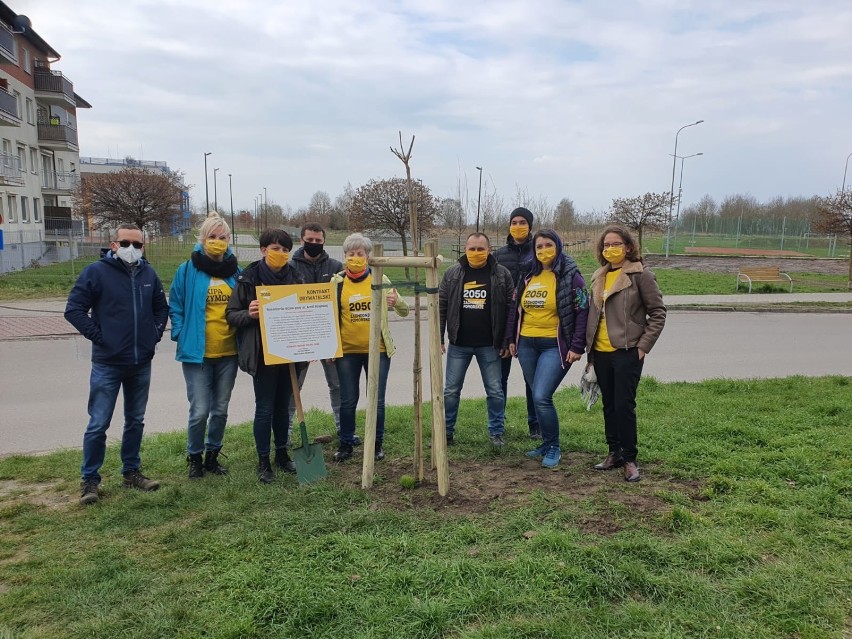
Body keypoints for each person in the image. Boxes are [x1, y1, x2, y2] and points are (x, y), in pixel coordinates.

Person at [65, 223, 168, 505]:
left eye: (137, 244)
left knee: (135, 420)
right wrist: (100, 337)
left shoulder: (148, 273)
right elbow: (73, 310)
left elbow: (161, 308)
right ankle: (90, 480)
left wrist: (154, 334)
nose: (131, 249)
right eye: (125, 244)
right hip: (107, 363)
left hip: (140, 362)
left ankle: (131, 472)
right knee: (98, 423)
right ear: (113, 245)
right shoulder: (95, 273)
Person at [586, 225, 666, 482]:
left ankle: (630, 458)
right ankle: (614, 452)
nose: (610, 249)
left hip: (627, 352)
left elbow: (658, 313)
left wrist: (643, 347)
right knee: (609, 405)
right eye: (606, 245)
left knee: (624, 405)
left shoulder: (641, 276)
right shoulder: (599, 276)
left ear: (629, 247)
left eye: (616, 244)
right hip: (600, 352)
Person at [504, 229, 589, 469]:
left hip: (555, 345)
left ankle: (553, 446)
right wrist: (512, 338)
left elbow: (583, 309)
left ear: (558, 246)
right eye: (539, 246)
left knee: (542, 396)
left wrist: (577, 345)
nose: (543, 250)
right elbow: (514, 308)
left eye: (548, 245)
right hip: (527, 343)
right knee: (535, 393)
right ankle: (544, 442)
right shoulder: (527, 275)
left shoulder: (571, 275)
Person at [226, 229, 304, 483]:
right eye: (275, 248)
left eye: (285, 249)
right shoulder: (248, 278)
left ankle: (282, 454)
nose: (280, 254)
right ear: (263, 250)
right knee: (265, 408)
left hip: (289, 353)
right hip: (262, 354)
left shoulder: (296, 276)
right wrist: (249, 313)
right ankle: (263, 460)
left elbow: (308, 311)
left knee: (283, 408)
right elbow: (231, 315)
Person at [169, 213, 240, 479]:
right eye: (212, 237)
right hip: (197, 354)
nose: (217, 242)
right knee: (200, 411)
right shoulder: (187, 270)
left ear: (228, 241)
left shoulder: (235, 272)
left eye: (222, 238)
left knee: (220, 409)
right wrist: (179, 331)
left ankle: (212, 455)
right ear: (202, 239)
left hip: (228, 353)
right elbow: (175, 305)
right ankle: (194, 457)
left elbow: (244, 305)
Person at [331, 233, 409, 463]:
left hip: (379, 350)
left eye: (360, 253)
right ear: (345, 256)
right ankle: (346, 443)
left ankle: (376, 444)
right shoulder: (337, 282)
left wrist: (397, 303)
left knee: (376, 399)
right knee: (347, 400)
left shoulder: (380, 279)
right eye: (350, 254)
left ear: (368, 256)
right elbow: (328, 317)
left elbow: (404, 311)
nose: (355, 257)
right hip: (347, 352)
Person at [439, 232, 514, 447]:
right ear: (465, 250)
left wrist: (506, 340)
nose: (476, 253)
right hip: (459, 344)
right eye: (472, 249)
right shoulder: (453, 273)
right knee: (451, 390)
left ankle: (496, 433)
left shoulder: (502, 275)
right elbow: (442, 305)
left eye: (481, 249)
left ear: (489, 250)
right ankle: (446, 432)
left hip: (489, 345)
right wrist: (440, 337)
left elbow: (510, 310)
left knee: (495, 390)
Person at [288, 222, 344, 442]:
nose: (313, 244)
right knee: (294, 387)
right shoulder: (290, 267)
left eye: (318, 241)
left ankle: (343, 429)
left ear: (323, 242)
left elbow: (343, 302)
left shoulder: (336, 267)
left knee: (337, 385)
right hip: (299, 339)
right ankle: (287, 435)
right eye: (309, 240)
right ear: (301, 241)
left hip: (330, 337)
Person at [494, 207, 540, 439]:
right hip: (503, 326)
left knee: (531, 379)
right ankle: (498, 424)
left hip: (528, 326)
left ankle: (535, 424)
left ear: (530, 226)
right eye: (514, 222)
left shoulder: (539, 252)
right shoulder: (499, 255)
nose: (518, 226)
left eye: (523, 222)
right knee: (500, 379)